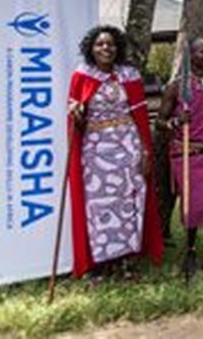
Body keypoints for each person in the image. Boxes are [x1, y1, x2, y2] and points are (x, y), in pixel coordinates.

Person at [67, 25, 164, 279]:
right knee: (98, 207)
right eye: (100, 44)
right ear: (91, 48)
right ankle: (101, 263)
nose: (105, 48)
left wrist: (145, 152)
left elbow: (140, 117)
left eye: (110, 44)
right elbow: (76, 118)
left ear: (118, 47)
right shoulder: (82, 75)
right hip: (95, 151)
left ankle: (127, 262)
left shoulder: (129, 75)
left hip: (127, 146)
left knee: (130, 202)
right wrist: (75, 111)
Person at [158, 37, 203, 275]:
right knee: (190, 207)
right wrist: (177, 121)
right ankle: (189, 251)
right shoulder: (177, 86)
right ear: (191, 56)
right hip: (185, 153)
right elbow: (160, 122)